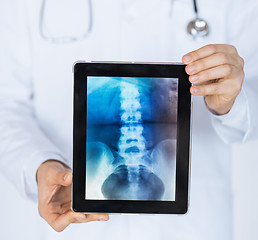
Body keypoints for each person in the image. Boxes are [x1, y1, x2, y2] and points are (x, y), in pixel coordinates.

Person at [0, 0, 258, 239]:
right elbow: (7, 103)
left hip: (192, 228)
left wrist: (230, 102)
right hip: (76, 227)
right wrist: (39, 164)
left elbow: (252, 95)